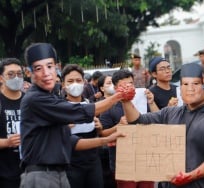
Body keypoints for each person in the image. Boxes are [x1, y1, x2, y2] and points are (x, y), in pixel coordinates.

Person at [20, 43, 125, 188]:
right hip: (42, 175)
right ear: (28, 72)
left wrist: (106, 139)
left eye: (50, 66)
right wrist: (117, 97)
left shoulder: (52, 99)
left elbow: (71, 140)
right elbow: (80, 112)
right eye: (38, 68)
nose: (46, 73)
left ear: (56, 67)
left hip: (59, 172)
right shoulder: (36, 99)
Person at [118, 63, 204, 188]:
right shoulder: (171, 113)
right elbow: (137, 120)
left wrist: (190, 176)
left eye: (196, 84)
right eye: (185, 84)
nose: (190, 88)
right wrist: (126, 101)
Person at [100, 69, 154, 188]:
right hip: (124, 163)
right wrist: (118, 126)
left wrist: (151, 102)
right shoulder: (108, 106)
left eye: (131, 83)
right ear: (115, 88)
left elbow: (158, 121)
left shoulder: (142, 101)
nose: (128, 87)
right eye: (123, 85)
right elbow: (103, 134)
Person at [61, 64, 106, 188]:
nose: (75, 84)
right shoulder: (59, 108)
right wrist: (63, 128)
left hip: (93, 163)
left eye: (78, 80)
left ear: (84, 83)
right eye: (70, 81)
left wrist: (99, 128)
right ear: (63, 85)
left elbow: (100, 133)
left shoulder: (91, 105)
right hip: (70, 165)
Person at [0, 58, 24, 188]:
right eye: (10, 74)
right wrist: (7, 142)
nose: (16, 77)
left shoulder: (30, 101)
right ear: (1, 78)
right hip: (5, 174)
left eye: (19, 74)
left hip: (31, 171)